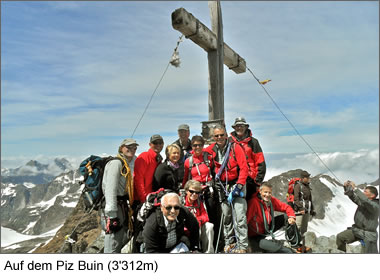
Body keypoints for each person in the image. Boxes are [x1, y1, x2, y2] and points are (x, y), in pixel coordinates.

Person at [204, 124, 249, 253]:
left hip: (236, 185)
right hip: (222, 186)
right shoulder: (211, 151)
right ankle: (229, 242)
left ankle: (243, 245)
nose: (219, 137)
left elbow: (244, 168)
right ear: (213, 137)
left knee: (240, 216)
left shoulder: (236, 148)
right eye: (216, 135)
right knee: (227, 216)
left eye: (221, 135)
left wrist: (239, 186)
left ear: (226, 135)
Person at [101, 138, 139, 253]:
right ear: (121, 148)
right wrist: (112, 215)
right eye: (128, 147)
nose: (131, 149)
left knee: (121, 235)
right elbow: (110, 189)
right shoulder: (116, 163)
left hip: (123, 205)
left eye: (134, 147)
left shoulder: (130, 162)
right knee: (113, 238)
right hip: (115, 205)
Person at [247, 182, 297, 253]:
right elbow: (245, 221)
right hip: (255, 236)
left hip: (266, 229)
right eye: (265, 192)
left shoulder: (271, 201)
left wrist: (292, 217)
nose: (267, 195)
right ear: (260, 191)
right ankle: (289, 252)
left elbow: (286, 207)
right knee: (272, 247)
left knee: (286, 217)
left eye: (269, 192)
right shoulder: (254, 202)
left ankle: (294, 244)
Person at [336, 181, 379, 253]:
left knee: (368, 253)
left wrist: (355, 189)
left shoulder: (376, 207)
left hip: (368, 235)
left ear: (372, 195)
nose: (363, 193)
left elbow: (367, 202)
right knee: (340, 237)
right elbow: (353, 197)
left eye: (365, 192)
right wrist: (347, 187)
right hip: (357, 230)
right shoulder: (363, 202)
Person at [229, 117, 266, 200]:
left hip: (250, 179)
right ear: (234, 128)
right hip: (233, 178)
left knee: (249, 204)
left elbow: (260, 161)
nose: (239, 128)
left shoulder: (253, 142)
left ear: (246, 127)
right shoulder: (229, 141)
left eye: (241, 126)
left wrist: (258, 182)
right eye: (237, 126)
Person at [184, 180, 215, 253]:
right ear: (186, 191)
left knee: (209, 226)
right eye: (191, 191)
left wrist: (198, 221)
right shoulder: (182, 202)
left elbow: (206, 216)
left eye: (197, 192)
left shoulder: (198, 202)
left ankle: (209, 252)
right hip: (187, 230)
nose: (194, 194)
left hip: (199, 227)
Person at [134, 134, 164, 204]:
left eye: (160, 143)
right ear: (150, 144)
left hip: (152, 198)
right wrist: (143, 199)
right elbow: (138, 179)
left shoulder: (159, 159)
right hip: (142, 200)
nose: (158, 145)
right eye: (155, 143)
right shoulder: (144, 157)